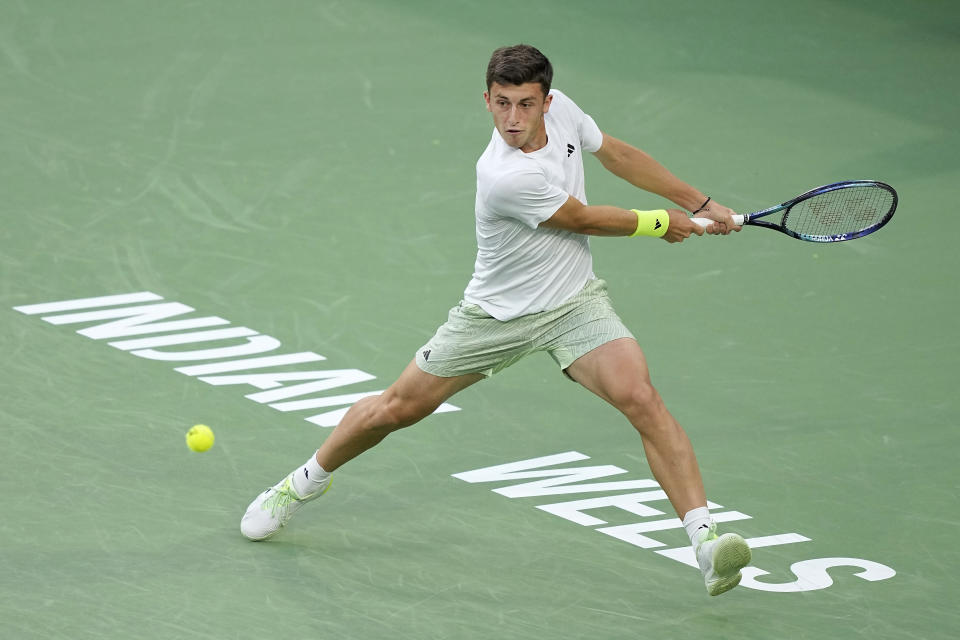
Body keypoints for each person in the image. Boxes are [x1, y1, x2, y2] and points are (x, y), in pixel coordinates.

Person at [241, 44, 751, 597]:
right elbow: (580, 218)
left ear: (547, 101)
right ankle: (300, 485)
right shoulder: (504, 175)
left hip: (574, 305)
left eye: (526, 105)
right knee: (396, 410)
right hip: (495, 316)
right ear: (486, 100)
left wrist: (698, 201)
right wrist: (662, 222)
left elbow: (619, 156)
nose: (512, 119)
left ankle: (705, 543)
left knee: (643, 399)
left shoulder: (566, 114)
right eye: (502, 104)